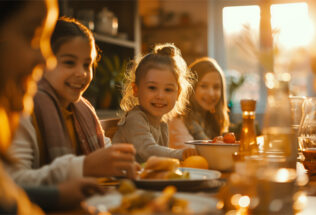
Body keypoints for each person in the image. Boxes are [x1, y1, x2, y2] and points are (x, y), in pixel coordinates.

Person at [0, 0, 105, 213]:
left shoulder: (82, 109)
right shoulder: (28, 110)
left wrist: (58, 196)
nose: (46, 59)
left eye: (88, 64)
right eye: (33, 36)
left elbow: (8, 195)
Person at [6, 17, 137, 186]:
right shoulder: (23, 109)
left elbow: (105, 152)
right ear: (45, 60)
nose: (82, 73)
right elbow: (14, 183)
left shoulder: (83, 109)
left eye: (87, 64)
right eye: (69, 62)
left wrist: (124, 164)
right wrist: (82, 167)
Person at [112, 43, 197, 163]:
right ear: (136, 89)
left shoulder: (162, 124)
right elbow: (148, 151)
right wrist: (182, 154)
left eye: (168, 89)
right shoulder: (135, 118)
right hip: (120, 179)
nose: (160, 96)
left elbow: (158, 160)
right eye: (152, 88)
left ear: (178, 94)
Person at [168, 57, 229, 149]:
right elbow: (189, 154)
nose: (211, 93)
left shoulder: (211, 119)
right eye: (204, 86)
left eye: (216, 87)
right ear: (190, 88)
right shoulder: (177, 119)